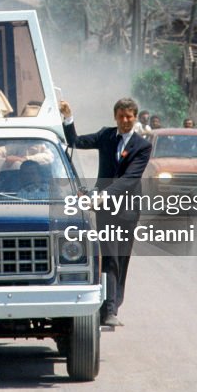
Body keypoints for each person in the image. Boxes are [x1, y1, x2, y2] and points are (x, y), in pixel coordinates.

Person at [60, 97, 151, 328]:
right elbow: (75, 141)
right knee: (109, 258)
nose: (125, 120)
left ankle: (115, 304)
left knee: (121, 258)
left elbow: (130, 179)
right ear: (115, 117)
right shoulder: (105, 136)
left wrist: (103, 194)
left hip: (128, 211)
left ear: (135, 117)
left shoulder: (142, 146)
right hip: (106, 210)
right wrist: (68, 117)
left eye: (129, 116)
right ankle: (108, 310)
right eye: (121, 116)